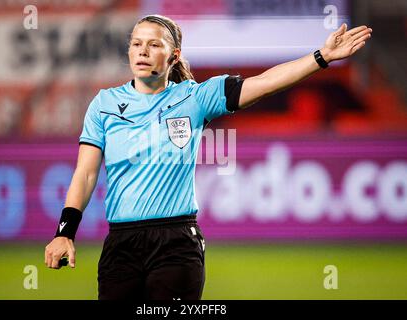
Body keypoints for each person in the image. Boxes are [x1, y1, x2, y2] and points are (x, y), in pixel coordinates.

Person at [44, 14, 372, 300]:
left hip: (175, 243)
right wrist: (65, 232)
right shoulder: (104, 104)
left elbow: (266, 83)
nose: (143, 51)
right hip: (120, 245)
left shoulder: (196, 97)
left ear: (173, 56)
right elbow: (85, 174)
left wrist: (322, 56)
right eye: (136, 43)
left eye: (154, 44)